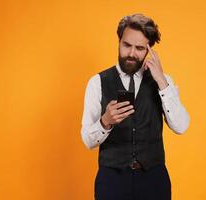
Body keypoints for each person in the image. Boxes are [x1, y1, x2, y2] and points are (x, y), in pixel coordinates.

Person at [81, 13, 190, 200]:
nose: (132, 53)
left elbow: (181, 126)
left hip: (153, 179)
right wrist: (105, 121)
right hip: (111, 180)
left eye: (139, 48)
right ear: (119, 41)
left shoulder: (163, 81)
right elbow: (87, 141)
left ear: (150, 49)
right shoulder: (97, 82)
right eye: (126, 45)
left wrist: (162, 82)